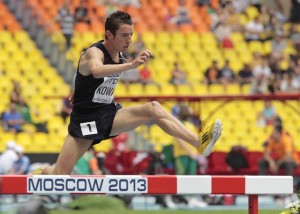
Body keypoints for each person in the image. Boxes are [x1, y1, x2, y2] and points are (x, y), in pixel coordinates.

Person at [33, 11, 222, 176]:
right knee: (59, 174)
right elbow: (96, 70)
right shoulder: (94, 52)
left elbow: (85, 77)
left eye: (131, 35)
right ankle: (37, 175)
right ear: (109, 34)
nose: (129, 40)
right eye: (124, 35)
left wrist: (77, 88)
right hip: (85, 122)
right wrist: (132, 65)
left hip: (108, 114)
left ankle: (198, 142)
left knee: (153, 108)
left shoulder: (120, 55)